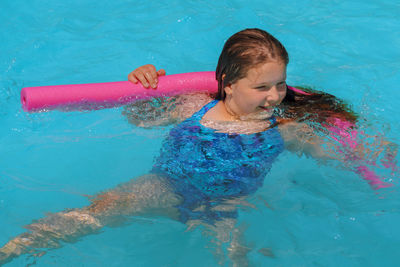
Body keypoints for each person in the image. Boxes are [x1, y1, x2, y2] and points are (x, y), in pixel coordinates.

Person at [0, 28, 396, 266]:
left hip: (223, 208)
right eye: (261, 86)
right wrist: (143, 88)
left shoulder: (286, 128)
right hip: (165, 185)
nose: (275, 95)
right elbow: (136, 120)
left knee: (233, 259)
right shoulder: (193, 105)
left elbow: (335, 156)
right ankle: (12, 251)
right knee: (95, 211)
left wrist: (370, 153)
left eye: (280, 83)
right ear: (226, 83)